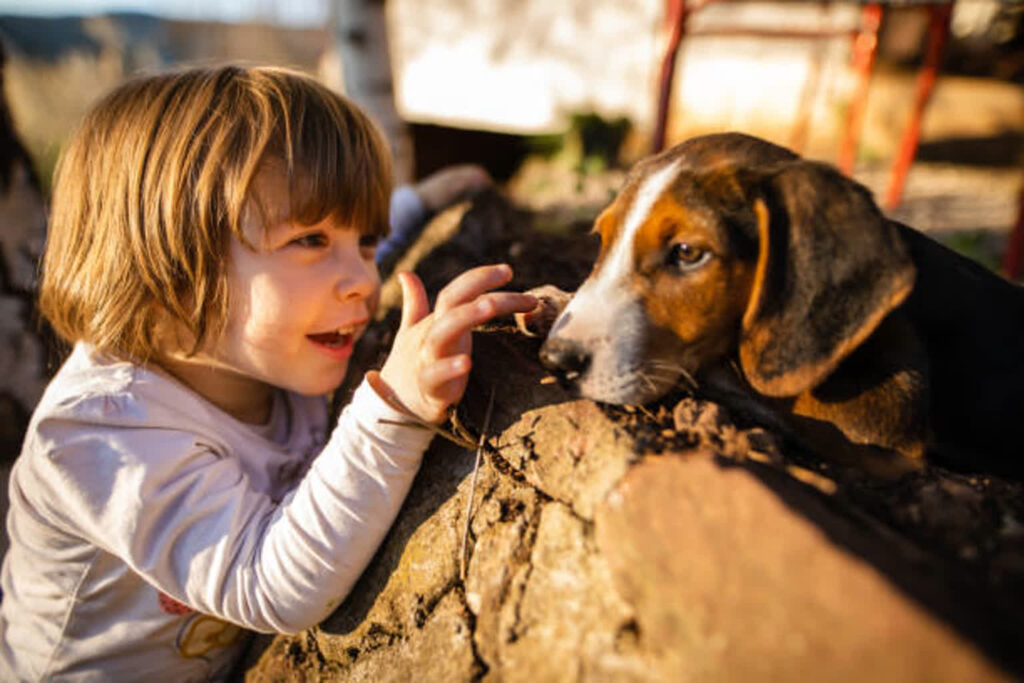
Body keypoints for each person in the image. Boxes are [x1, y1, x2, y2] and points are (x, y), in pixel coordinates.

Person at [0, 65, 534, 680]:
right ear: (171, 262)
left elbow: (338, 258)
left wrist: (422, 204)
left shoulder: (259, 344)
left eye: (364, 239)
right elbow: (269, 585)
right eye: (310, 239)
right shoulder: (100, 433)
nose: (362, 279)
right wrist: (395, 411)